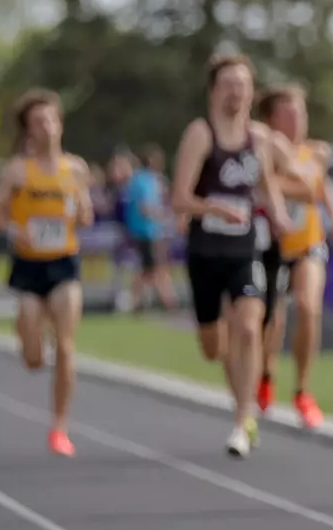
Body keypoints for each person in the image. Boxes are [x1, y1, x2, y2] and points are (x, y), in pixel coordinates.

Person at [170, 52, 292, 459]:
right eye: (228, 84)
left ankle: (243, 419)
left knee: (249, 324)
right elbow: (180, 199)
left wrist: (279, 215)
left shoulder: (259, 138)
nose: (236, 91)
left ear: (252, 90)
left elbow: (268, 185)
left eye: (243, 83)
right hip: (206, 250)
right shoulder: (200, 134)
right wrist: (214, 209)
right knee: (213, 344)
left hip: (244, 247)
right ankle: (239, 389)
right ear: (213, 90)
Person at [0, 90, 96, 456]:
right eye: (39, 122)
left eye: (52, 120)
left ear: (60, 124)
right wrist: (16, 229)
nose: (48, 127)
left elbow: (86, 214)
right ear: (29, 131)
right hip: (29, 265)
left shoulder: (75, 168)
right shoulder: (17, 171)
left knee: (65, 345)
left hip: (64, 262)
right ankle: (30, 334)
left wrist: (79, 210)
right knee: (34, 359)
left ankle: (60, 427)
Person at [255, 84, 333, 430]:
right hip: (273, 246)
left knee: (309, 308)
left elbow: (318, 187)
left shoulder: (316, 152)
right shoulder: (263, 152)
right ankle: (265, 375)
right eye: (288, 114)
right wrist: (295, 186)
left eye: (301, 113)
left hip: (309, 242)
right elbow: (276, 186)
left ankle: (304, 391)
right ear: (272, 119)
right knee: (271, 320)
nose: (297, 120)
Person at [122, 144, 180, 313]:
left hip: (149, 230)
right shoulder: (144, 180)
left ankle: (136, 301)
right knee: (155, 268)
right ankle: (168, 301)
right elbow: (145, 207)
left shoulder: (148, 179)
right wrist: (163, 216)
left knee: (147, 269)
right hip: (146, 231)